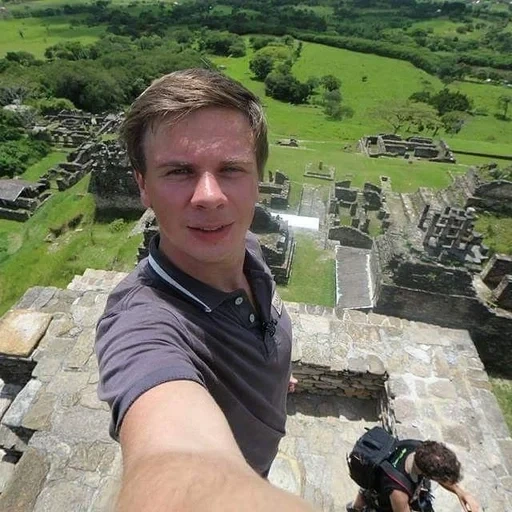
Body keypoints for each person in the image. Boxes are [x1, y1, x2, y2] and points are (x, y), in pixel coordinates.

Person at [95, 68, 314, 512]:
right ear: (143, 186)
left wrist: (270, 365)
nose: (209, 196)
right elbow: (175, 466)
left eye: (231, 169)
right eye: (179, 171)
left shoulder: (246, 250)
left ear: (259, 179)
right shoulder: (142, 325)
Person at [347, 440, 480, 512]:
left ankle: (355, 507)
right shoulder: (399, 493)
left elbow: (441, 474)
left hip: (382, 478)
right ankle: (356, 508)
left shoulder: (419, 448)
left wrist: (461, 493)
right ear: (427, 475)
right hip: (384, 497)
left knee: (366, 492)